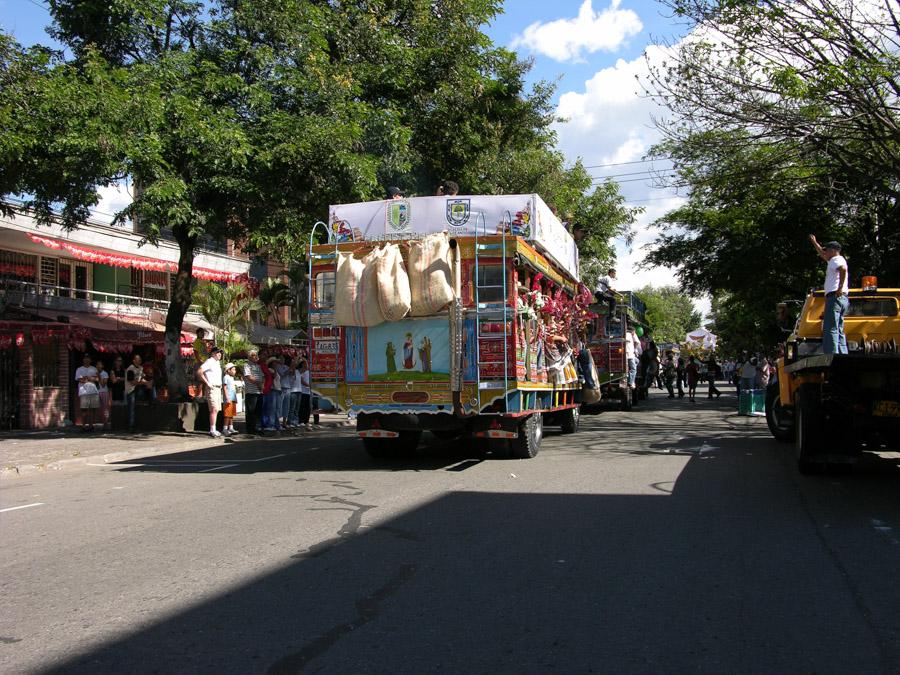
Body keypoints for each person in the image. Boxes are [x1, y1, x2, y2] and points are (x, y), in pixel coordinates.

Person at [809, 235, 849, 354]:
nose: (825, 252)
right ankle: (842, 352)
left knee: (830, 327)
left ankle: (832, 354)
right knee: (839, 328)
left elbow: (843, 270)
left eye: (827, 250)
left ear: (833, 250)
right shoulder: (834, 260)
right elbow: (822, 253)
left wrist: (839, 287)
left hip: (835, 297)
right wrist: (815, 243)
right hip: (842, 298)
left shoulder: (836, 260)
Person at [198, 346, 224, 438]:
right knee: (213, 409)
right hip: (212, 388)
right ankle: (212, 430)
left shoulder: (217, 363)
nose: (219, 354)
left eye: (220, 352)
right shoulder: (209, 361)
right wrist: (207, 383)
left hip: (218, 388)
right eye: (217, 352)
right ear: (212, 353)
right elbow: (199, 371)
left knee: (216, 409)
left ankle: (214, 428)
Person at [124, 354, 154, 432]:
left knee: (151, 386)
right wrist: (143, 383)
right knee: (132, 408)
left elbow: (142, 379)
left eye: (140, 360)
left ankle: (152, 402)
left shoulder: (141, 368)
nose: (139, 361)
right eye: (137, 360)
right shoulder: (130, 369)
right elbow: (132, 382)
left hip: (138, 389)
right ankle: (131, 426)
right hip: (131, 390)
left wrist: (147, 382)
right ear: (133, 360)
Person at [75, 354, 99, 432]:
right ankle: (83, 426)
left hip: (93, 391)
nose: (87, 360)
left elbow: (97, 379)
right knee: (84, 410)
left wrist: (87, 378)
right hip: (84, 391)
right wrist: (90, 378)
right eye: (85, 358)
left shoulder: (94, 369)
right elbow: (80, 379)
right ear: (83, 360)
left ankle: (91, 426)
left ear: (90, 360)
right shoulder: (79, 369)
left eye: (88, 358)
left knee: (92, 409)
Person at [243, 350, 264, 434]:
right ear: (249, 357)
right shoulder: (247, 365)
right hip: (251, 391)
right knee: (251, 411)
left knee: (258, 411)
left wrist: (262, 384)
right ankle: (250, 429)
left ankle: (257, 427)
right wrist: (259, 384)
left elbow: (262, 376)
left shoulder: (258, 366)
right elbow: (249, 377)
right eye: (253, 355)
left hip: (259, 391)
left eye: (256, 355)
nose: (255, 356)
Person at [222, 362, 238, 436]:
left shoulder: (232, 378)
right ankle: (225, 428)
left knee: (231, 414)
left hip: (233, 398)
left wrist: (235, 398)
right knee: (227, 414)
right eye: (233, 369)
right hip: (228, 399)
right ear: (228, 370)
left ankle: (231, 427)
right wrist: (227, 397)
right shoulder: (226, 377)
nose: (235, 371)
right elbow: (224, 387)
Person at [624, 324, 641, 389]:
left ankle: (630, 374)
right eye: (634, 332)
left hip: (630, 354)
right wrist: (635, 349)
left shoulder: (626, 334)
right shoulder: (629, 334)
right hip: (629, 355)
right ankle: (630, 382)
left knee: (637, 361)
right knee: (634, 369)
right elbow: (637, 342)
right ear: (632, 331)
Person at [95, 359, 110, 430]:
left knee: (105, 408)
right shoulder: (94, 373)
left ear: (102, 366)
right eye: (97, 364)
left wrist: (99, 376)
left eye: (99, 364)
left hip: (104, 392)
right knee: (98, 408)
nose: (98, 366)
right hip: (96, 392)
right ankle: (99, 423)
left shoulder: (105, 373)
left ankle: (106, 423)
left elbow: (103, 385)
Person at [298, 359, 312, 429]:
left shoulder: (309, 372)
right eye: (305, 364)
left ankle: (306, 421)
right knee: (302, 407)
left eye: (307, 364)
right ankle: (301, 421)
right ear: (302, 364)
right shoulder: (301, 371)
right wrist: (308, 385)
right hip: (302, 391)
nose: (307, 365)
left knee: (308, 407)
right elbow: (301, 380)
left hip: (308, 392)